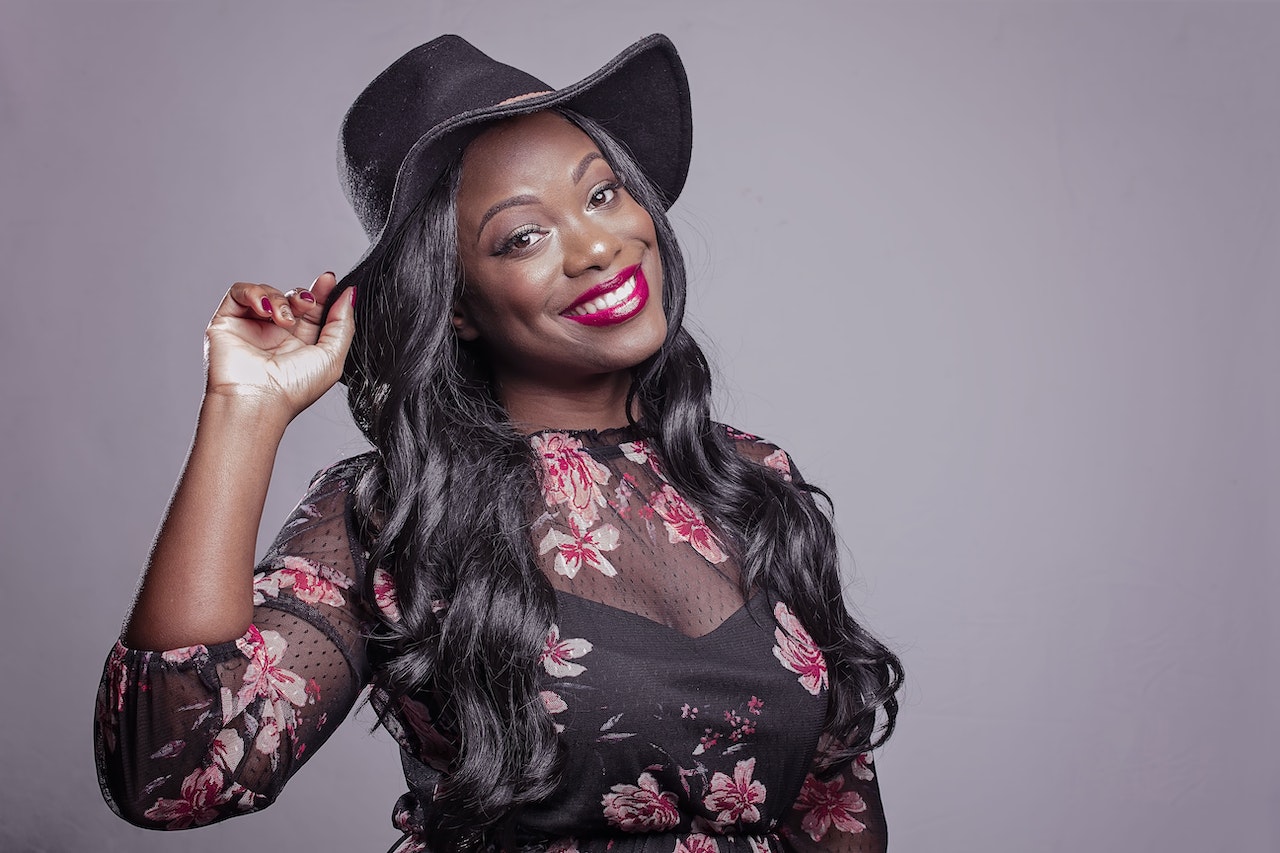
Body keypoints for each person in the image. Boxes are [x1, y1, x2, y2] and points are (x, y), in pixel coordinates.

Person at [94, 34, 903, 853]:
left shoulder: (751, 481)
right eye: (522, 236)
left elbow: (836, 811)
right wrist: (244, 411)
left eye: (602, 195)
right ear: (457, 304)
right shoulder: (395, 510)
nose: (596, 248)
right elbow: (172, 774)